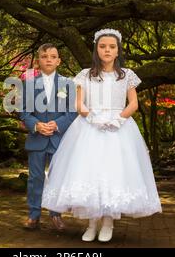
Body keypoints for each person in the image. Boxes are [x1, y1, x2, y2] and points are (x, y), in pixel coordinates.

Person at [42, 28, 162, 242]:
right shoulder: (85, 74)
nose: (107, 50)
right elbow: (78, 103)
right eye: (103, 46)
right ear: (96, 50)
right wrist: (92, 118)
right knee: (90, 173)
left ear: (118, 51)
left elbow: (133, 103)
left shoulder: (126, 75)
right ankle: (91, 223)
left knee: (112, 174)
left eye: (112, 47)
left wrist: (119, 119)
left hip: (119, 128)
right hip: (90, 127)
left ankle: (108, 223)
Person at [18, 43, 78, 231]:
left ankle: (56, 215)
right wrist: (36, 125)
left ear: (59, 61)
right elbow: (24, 112)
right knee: (35, 178)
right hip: (37, 139)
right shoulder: (28, 85)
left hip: (58, 140)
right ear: (38, 61)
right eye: (44, 57)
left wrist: (57, 124)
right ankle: (33, 215)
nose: (49, 59)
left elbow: (72, 111)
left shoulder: (67, 84)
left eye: (53, 56)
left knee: (56, 178)